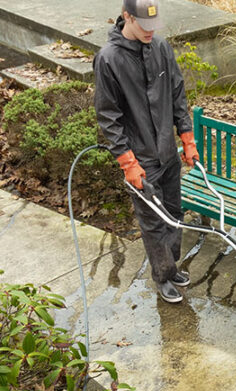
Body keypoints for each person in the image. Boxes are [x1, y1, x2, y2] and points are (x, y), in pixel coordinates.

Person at [93, 0, 199, 303]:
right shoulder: (109, 59)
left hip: (167, 151)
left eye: (155, 25)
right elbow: (109, 117)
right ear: (127, 17)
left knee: (175, 214)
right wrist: (128, 162)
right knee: (153, 222)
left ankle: (171, 266)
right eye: (144, 25)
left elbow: (177, 93)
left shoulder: (160, 48)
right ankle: (163, 276)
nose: (151, 31)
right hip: (141, 159)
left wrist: (187, 138)